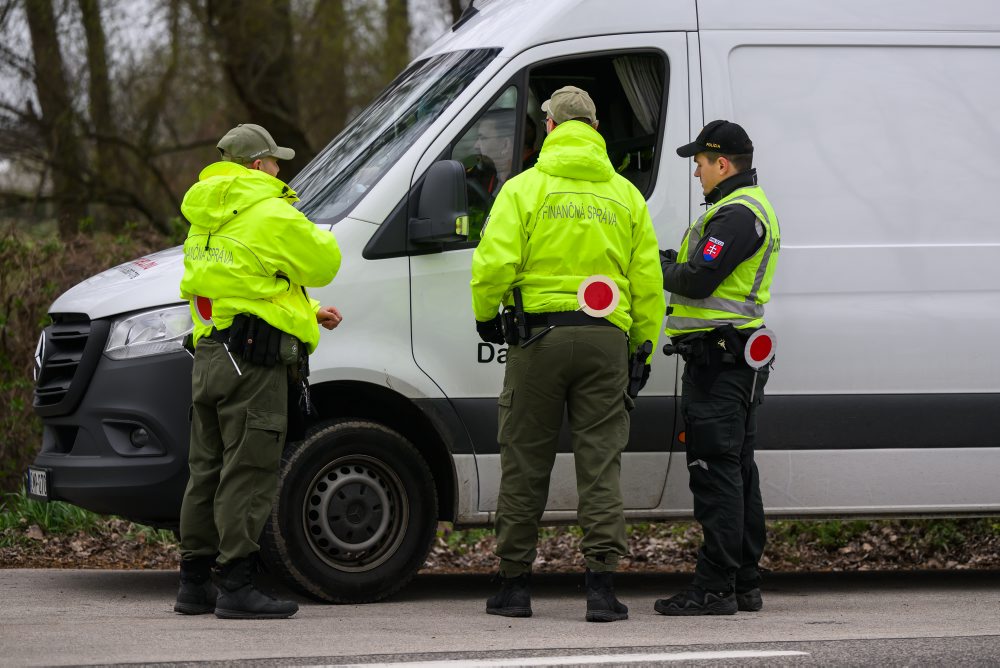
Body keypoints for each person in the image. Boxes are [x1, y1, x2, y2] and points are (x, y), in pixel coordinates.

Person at [470, 86, 665, 622]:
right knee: (600, 463)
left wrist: (486, 316)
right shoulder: (626, 195)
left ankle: (514, 587)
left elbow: (493, 264)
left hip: (538, 339)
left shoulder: (523, 188)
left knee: (524, 461)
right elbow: (647, 282)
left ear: (550, 127)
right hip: (606, 340)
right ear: (596, 130)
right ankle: (601, 589)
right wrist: (643, 347)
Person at [173, 123, 343, 620]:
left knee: (205, 471)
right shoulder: (270, 210)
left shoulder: (203, 216)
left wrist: (307, 312)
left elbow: (240, 284)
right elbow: (325, 262)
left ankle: (193, 583)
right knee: (249, 471)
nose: (279, 171)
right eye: (274, 162)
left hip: (209, 354)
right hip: (253, 364)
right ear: (256, 165)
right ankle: (237, 584)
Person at [655, 120, 781, 616]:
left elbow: (697, 280)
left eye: (700, 164)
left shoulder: (736, 215)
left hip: (720, 363)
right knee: (737, 471)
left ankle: (714, 588)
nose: (696, 174)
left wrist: (651, 265)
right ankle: (744, 582)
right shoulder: (741, 209)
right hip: (731, 360)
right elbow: (700, 267)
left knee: (716, 473)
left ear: (722, 164)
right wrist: (670, 259)